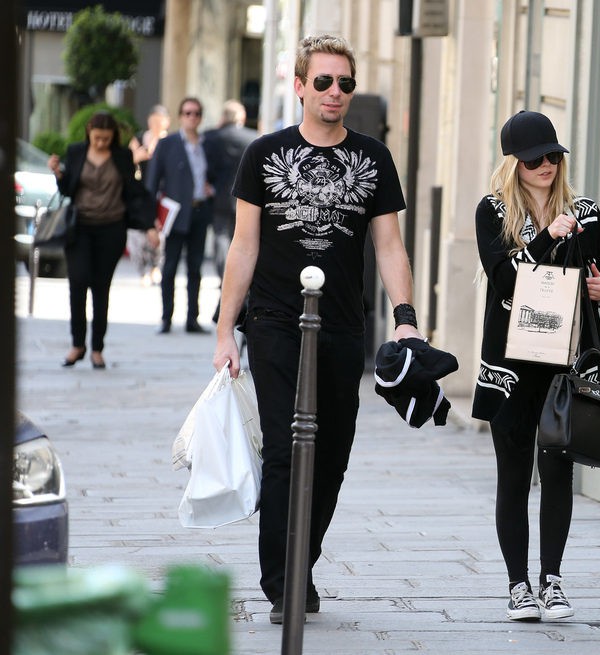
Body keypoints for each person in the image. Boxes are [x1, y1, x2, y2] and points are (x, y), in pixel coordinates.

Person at [211, 34, 423, 625]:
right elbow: (243, 246)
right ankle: (282, 583)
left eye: (345, 84)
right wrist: (226, 330)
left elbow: (389, 247)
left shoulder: (373, 158)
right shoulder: (264, 154)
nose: (336, 93)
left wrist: (405, 321)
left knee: (331, 454)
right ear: (300, 85)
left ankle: (301, 562)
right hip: (276, 323)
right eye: (324, 82)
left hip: (342, 328)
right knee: (284, 450)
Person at [472, 110, 600, 621]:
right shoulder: (493, 211)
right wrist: (546, 235)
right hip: (511, 364)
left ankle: (552, 581)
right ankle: (518, 586)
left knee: (557, 473)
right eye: (535, 159)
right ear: (515, 162)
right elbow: (505, 277)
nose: (546, 165)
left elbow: (599, 275)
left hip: (565, 365)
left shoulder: (588, 211)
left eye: (553, 155)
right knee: (513, 476)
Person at [47, 111, 160, 369]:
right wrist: (58, 174)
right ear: (89, 132)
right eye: (97, 138)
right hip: (80, 228)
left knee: (101, 286)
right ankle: (77, 344)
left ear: (113, 137)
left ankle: (97, 348)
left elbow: (134, 193)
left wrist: (149, 225)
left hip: (111, 228)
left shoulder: (121, 156)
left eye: (106, 139)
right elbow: (67, 190)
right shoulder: (76, 152)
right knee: (77, 282)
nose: (100, 143)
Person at [144, 97, 214, 334]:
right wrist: (150, 220)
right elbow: (151, 182)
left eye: (195, 113)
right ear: (180, 116)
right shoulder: (168, 144)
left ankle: (192, 319)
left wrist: (211, 188)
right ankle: (166, 318)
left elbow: (216, 174)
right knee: (170, 266)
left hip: (200, 211)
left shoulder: (207, 144)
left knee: (195, 267)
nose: (191, 117)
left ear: (200, 117)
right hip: (174, 214)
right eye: (187, 113)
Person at [203, 99, 259, 322]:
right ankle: (236, 287)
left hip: (219, 199)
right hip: (247, 200)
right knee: (244, 243)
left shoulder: (210, 137)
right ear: (242, 118)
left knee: (222, 241)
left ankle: (225, 281)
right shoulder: (253, 138)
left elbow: (203, 167)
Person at [128, 104, 169, 287]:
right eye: (153, 121)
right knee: (139, 235)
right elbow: (128, 161)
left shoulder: (171, 142)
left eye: (159, 121)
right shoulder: (139, 139)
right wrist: (138, 156)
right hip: (140, 192)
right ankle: (142, 270)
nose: (156, 125)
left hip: (162, 194)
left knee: (160, 232)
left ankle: (155, 267)